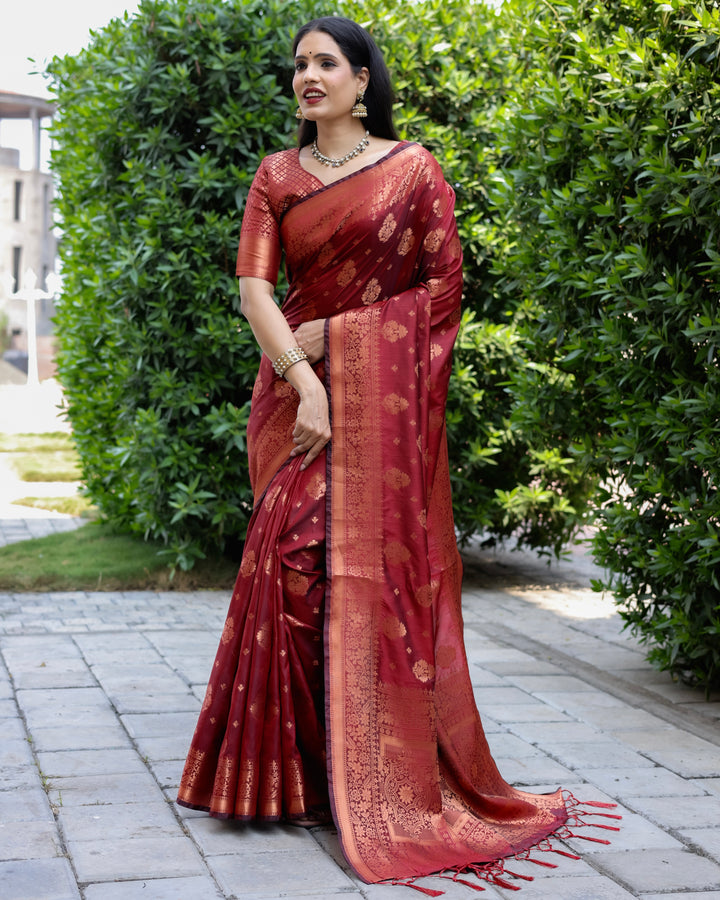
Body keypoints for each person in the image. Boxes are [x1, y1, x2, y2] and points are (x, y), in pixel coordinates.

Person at [177, 15, 618, 893]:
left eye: (325, 63)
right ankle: (292, 777)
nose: (308, 76)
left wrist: (341, 336)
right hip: (296, 395)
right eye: (299, 64)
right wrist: (306, 379)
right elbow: (253, 289)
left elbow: (441, 288)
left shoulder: (412, 170)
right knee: (288, 567)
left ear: (362, 79)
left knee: (338, 570)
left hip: (372, 399)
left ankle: (366, 768)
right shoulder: (277, 175)